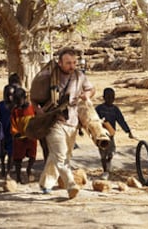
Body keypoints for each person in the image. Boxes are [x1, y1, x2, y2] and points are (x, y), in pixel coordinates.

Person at [31, 47, 95, 199]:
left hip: (72, 122)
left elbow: (91, 89)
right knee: (60, 156)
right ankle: (71, 184)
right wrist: (38, 110)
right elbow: (33, 98)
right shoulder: (48, 77)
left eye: (74, 63)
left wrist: (86, 95)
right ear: (59, 63)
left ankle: (45, 183)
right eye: (68, 63)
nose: (71, 66)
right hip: (53, 121)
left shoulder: (79, 76)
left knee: (62, 154)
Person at [95, 88, 135, 180]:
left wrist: (128, 131)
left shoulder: (115, 109)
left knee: (111, 151)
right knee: (103, 154)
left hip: (111, 134)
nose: (110, 99)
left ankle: (109, 163)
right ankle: (105, 171)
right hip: (101, 135)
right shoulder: (99, 109)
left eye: (112, 97)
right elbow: (92, 120)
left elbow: (121, 121)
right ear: (104, 97)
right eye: (108, 97)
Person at [10, 87, 37, 184]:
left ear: (25, 98)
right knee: (18, 159)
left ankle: (29, 170)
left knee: (32, 156)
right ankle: (18, 177)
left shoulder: (32, 108)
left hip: (31, 137)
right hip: (19, 138)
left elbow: (36, 120)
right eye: (15, 100)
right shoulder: (15, 111)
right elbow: (12, 124)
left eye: (18, 100)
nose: (17, 102)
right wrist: (15, 132)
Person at [0, 85, 15, 177]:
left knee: (11, 152)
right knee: (2, 151)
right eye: (7, 95)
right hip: (2, 130)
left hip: (13, 131)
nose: (9, 97)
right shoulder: (0, 105)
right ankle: (3, 167)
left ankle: (9, 170)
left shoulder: (16, 106)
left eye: (11, 95)